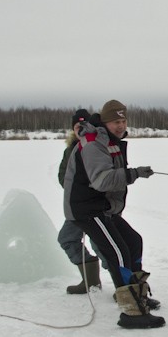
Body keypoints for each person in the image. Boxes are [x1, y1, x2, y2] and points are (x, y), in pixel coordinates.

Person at [63, 99, 164, 329]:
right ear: (104, 122)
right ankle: (132, 312)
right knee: (118, 252)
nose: (120, 125)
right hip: (85, 208)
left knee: (133, 241)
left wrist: (131, 174)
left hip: (102, 207)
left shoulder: (111, 141)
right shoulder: (93, 142)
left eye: (123, 120)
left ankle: (139, 297)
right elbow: (102, 180)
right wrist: (134, 174)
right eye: (115, 121)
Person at [57, 108, 104, 295]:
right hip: (77, 207)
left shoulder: (97, 146)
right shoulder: (70, 150)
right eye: (78, 126)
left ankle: (124, 285)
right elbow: (63, 177)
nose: (81, 129)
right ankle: (90, 280)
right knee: (67, 239)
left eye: (85, 125)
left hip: (97, 207)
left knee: (101, 244)